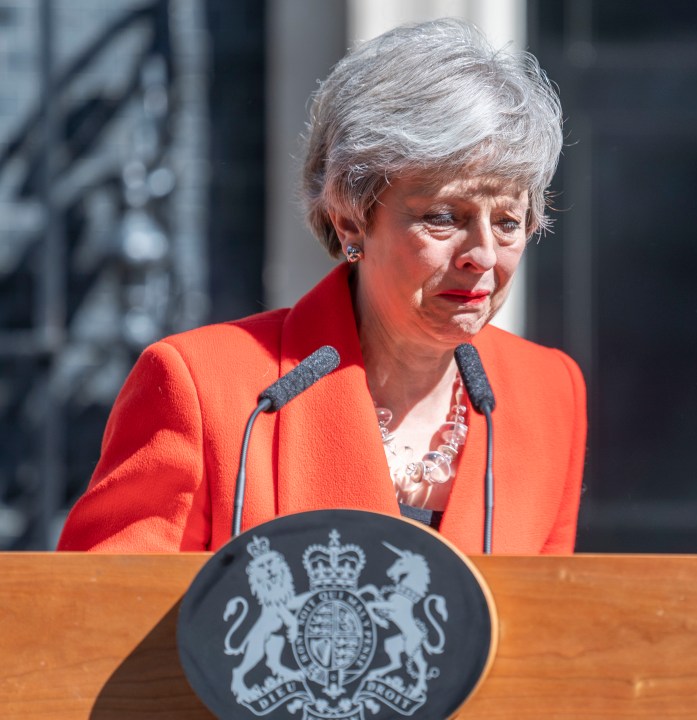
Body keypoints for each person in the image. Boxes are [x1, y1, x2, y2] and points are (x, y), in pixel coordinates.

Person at [57, 18, 586, 555]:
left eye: (507, 222)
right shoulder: (204, 389)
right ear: (351, 220)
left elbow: (548, 623)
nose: (483, 257)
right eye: (445, 217)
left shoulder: (547, 393)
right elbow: (100, 618)